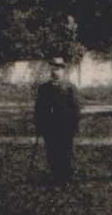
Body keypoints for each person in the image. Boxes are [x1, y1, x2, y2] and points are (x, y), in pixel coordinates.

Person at [34, 57, 82, 185]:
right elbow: (39, 108)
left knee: (65, 152)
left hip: (65, 126)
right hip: (49, 127)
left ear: (63, 71)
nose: (55, 71)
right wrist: (39, 125)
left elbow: (76, 109)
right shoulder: (44, 88)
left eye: (58, 69)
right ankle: (55, 177)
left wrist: (74, 126)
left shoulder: (70, 87)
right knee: (51, 152)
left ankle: (66, 178)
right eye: (53, 69)